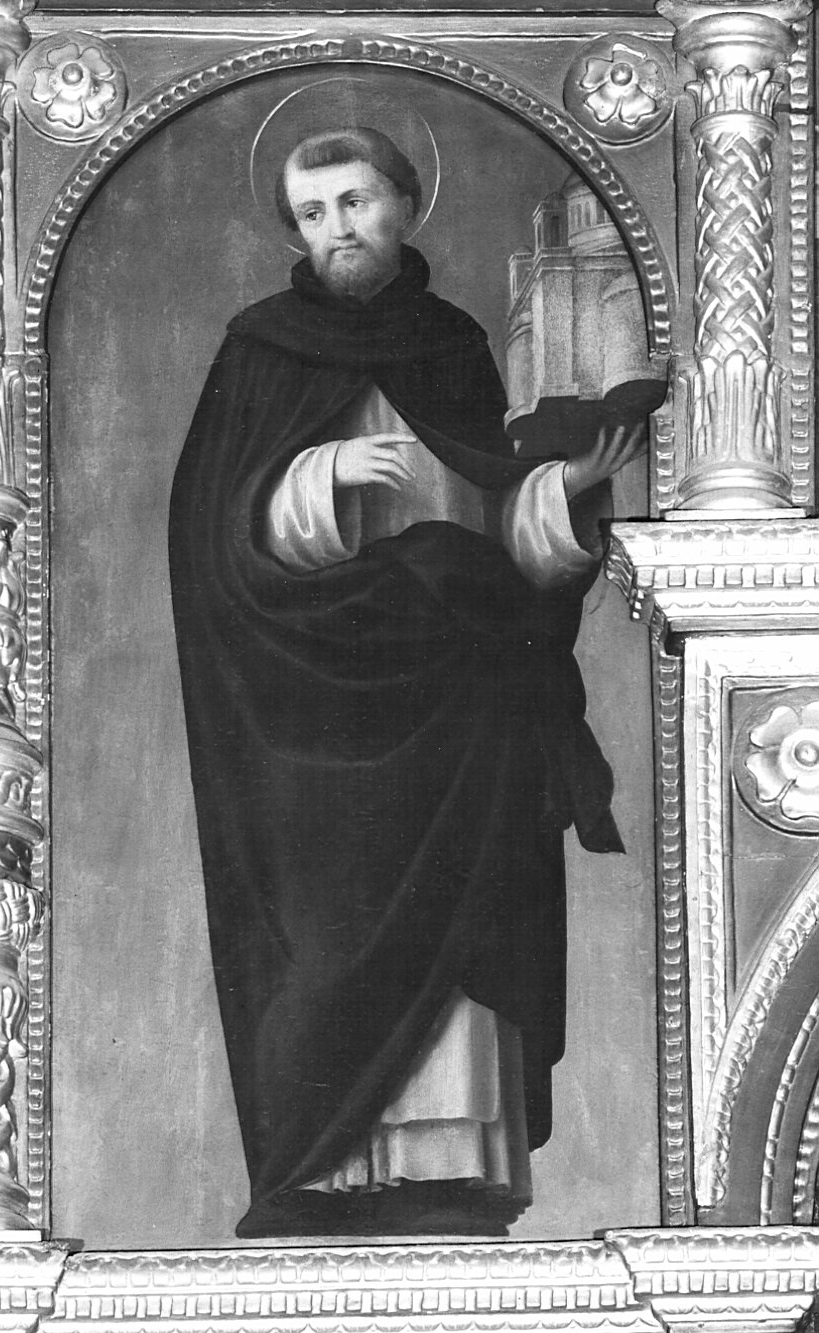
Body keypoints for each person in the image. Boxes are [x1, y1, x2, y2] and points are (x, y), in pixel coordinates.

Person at [168, 126, 643, 1239]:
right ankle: (326, 1171)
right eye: (313, 213)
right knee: (325, 935)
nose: (336, 229)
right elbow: (208, 540)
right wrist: (314, 475)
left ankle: (447, 1170)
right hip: (310, 704)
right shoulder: (261, 350)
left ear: (406, 204)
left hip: (455, 693)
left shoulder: (453, 344)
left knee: (464, 926)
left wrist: (565, 493)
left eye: (355, 201)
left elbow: (501, 527)